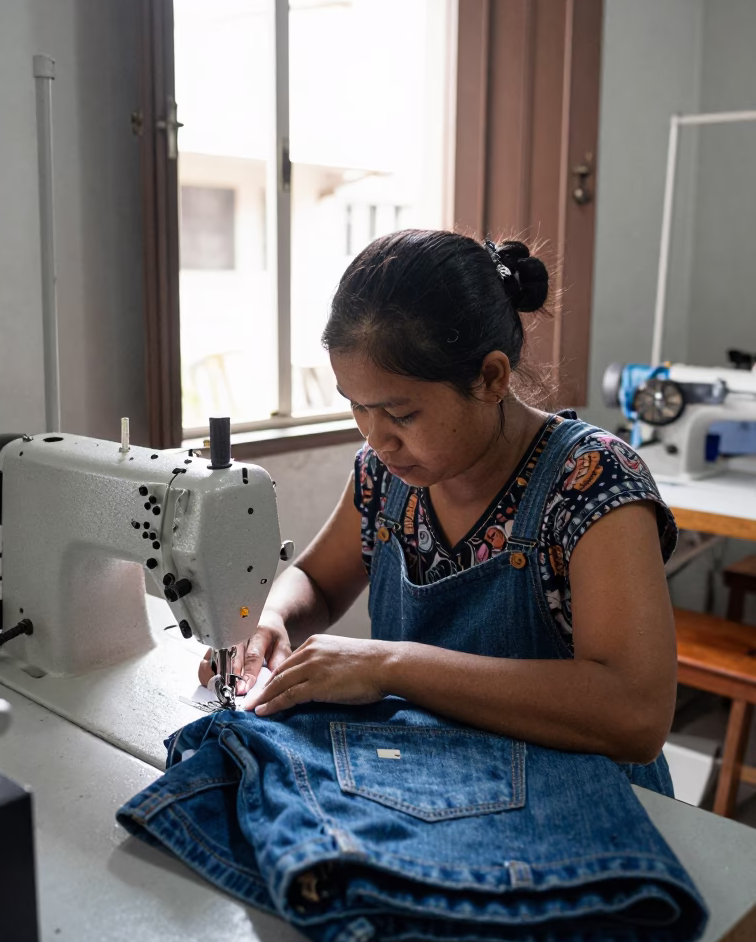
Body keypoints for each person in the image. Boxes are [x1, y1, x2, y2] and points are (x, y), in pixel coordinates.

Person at [200, 230, 678, 793]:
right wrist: (273, 618)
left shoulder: (590, 482)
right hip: (440, 783)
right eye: (358, 407)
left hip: (588, 805)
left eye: (400, 414)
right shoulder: (385, 475)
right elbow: (318, 582)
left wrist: (389, 666)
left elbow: (635, 715)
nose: (377, 438)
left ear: (492, 378)